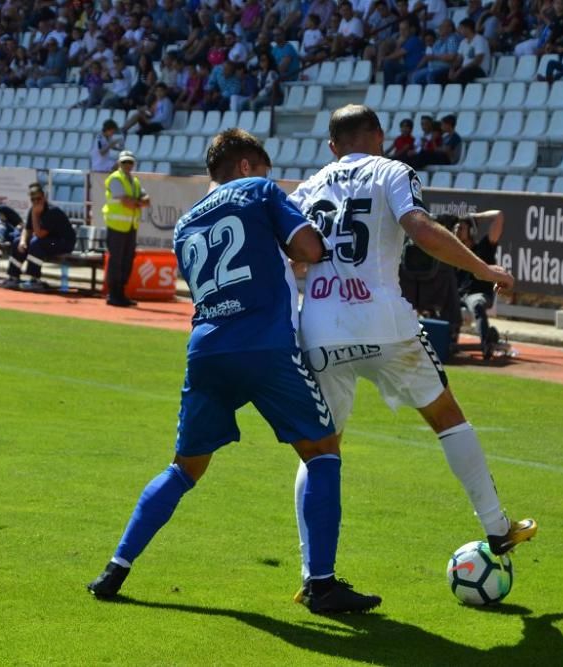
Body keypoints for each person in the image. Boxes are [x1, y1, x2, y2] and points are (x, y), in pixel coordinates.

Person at [87, 128, 382, 615]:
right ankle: (323, 586)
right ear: (247, 167)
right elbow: (309, 249)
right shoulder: (260, 191)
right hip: (265, 344)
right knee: (323, 452)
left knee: (184, 469)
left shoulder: (184, 224)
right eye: (264, 169)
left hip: (206, 349)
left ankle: (115, 570)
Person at [288, 105, 537, 595]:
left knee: (320, 452)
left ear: (332, 146)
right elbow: (421, 229)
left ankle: (313, 574)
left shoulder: (309, 187)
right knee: (447, 417)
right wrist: (484, 271)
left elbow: (289, 252)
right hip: (384, 322)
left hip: (317, 325)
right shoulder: (393, 170)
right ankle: (495, 526)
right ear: (379, 137)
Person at [450, 211, 505, 360]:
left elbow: (499, 216)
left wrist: (476, 217)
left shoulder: (484, 248)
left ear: (471, 231)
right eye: (455, 228)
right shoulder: (452, 253)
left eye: (461, 228)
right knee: (444, 303)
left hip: (479, 294)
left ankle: (486, 346)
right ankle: (448, 345)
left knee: (476, 304)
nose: (456, 231)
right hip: (459, 296)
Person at [1, 183, 76, 291]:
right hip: (49, 241)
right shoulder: (33, 209)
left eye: (38, 198)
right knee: (17, 241)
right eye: (33, 200)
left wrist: (35, 215)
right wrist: (22, 242)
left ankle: (35, 280)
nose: (36, 202)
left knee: (36, 243)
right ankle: (13, 277)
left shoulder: (52, 211)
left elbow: (40, 233)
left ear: (44, 197)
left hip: (63, 243)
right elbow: (27, 229)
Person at [101, 150, 150, 308]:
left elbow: (147, 200)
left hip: (130, 225)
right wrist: (138, 202)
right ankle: (113, 294)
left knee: (127, 260)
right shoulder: (116, 178)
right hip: (117, 226)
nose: (127, 165)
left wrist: (135, 201)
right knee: (116, 260)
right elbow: (125, 202)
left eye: (130, 162)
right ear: (119, 163)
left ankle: (120, 293)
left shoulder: (134, 181)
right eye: (124, 162)